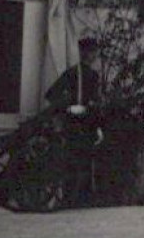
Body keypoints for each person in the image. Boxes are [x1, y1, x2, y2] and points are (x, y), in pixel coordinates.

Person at [43, 36, 102, 207]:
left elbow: (95, 103)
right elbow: (51, 94)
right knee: (72, 160)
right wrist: (69, 107)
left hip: (87, 123)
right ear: (83, 53)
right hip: (73, 124)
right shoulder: (72, 74)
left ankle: (81, 198)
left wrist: (97, 125)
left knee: (84, 162)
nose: (92, 56)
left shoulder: (92, 75)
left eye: (93, 52)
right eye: (90, 52)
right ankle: (71, 199)